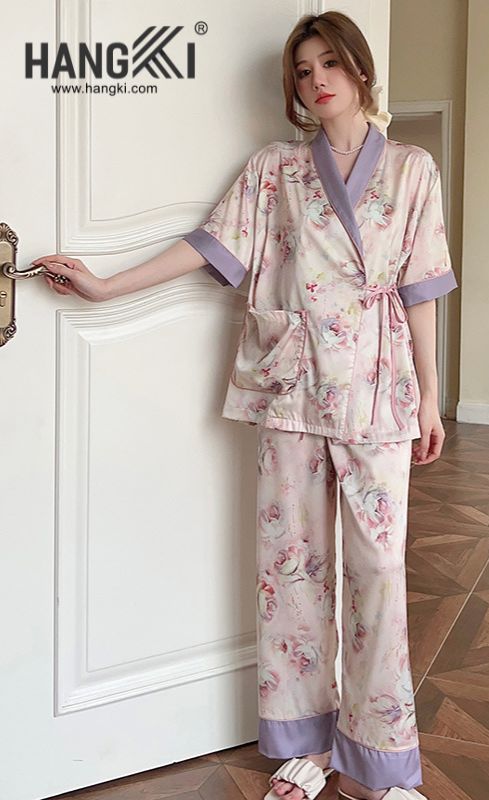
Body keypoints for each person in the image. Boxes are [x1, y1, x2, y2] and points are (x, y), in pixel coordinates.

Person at [32, 11, 457, 800]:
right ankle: (308, 747)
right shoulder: (275, 170)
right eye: (303, 70)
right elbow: (210, 246)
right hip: (291, 388)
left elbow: (421, 288)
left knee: (378, 572)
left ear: (361, 68)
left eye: (330, 63)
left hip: (378, 388)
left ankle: (381, 762)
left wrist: (430, 396)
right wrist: (106, 285)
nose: (317, 79)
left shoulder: (413, 171)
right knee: (291, 572)